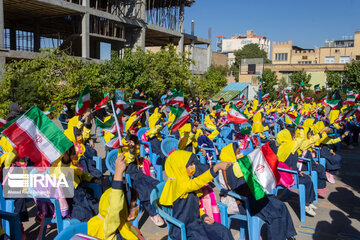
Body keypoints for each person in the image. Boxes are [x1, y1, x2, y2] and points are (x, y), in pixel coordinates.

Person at [219, 143, 297, 240]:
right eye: (238, 153)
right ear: (230, 155)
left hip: (256, 197)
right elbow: (239, 186)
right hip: (247, 203)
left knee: (281, 206)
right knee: (274, 216)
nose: (240, 154)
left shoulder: (238, 165)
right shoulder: (230, 170)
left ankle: (288, 235)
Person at [159, 150, 234, 240]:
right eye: (190, 165)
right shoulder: (178, 184)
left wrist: (204, 216)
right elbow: (197, 182)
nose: (193, 167)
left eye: (192, 164)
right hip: (183, 229)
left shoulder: (186, 182)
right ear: (179, 167)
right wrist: (216, 168)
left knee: (223, 232)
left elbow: (194, 207)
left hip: (196, 223)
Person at [88, 153, 144, 239]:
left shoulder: (119, 223)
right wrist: (118, 173)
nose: (137, 207)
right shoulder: (110, 228)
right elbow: (115, 207)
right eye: (134, 206)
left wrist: (90, 179)